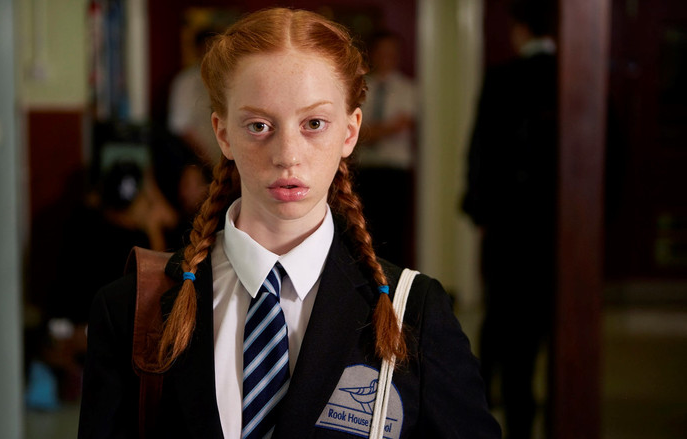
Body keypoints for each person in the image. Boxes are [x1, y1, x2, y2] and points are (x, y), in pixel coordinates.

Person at [79, 7, 500, 439]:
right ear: (222, 134)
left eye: (314, 124)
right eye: (259, 125)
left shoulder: (415, 314)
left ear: (349, 132)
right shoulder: (133, 308)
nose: (287, 155)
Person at [461, 1, 558, 438]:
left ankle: (490, 403)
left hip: (508, 222)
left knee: (502, 315)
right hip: (558, 227)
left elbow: (480, 149)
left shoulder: (503, 78)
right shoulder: (576, 76)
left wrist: (480, 210)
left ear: (520, 29)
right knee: (542, 320)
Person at [355, 30, 417, 267]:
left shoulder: (408, 89)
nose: (387, 58)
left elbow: (401, 125)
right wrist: (385, 129)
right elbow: (356, 132)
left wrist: (370, 131)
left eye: (392, 53)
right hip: (365, 170)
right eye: (383, 52)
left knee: (394, 234)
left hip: (395, 173)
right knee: (366, 232)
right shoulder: (359, 88)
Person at [167, 29, 221, 170]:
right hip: (198, 162)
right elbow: (181, 127)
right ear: (198, 50)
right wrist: (207, 160)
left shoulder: (229, 78)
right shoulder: (186, 82)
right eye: (206, 49)